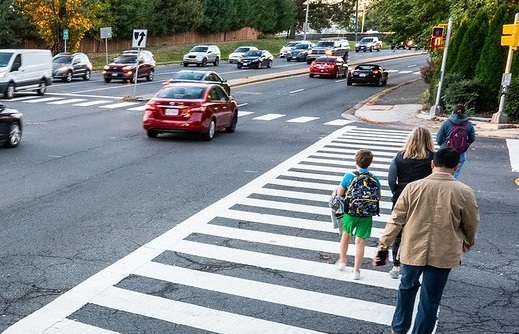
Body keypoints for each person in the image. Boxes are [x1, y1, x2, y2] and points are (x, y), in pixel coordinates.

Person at [375, 148, 480, 334]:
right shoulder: (464, 192)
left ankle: (398, 329)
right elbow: (471, 223)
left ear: (433, 164)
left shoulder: (413, 187)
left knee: (406, 288)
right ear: (455, 167)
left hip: (412, 249)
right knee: (430, 299)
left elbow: (396, 220)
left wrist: (383, 246)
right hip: (443, 253)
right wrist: (468, 242)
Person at [387, 126, 435, 279]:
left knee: (399, 231)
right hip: (425, 199)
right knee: (420, 231)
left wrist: (397, 191)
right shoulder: (433, 158)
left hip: (402, 196)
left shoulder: (399, 156)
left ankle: (396, 266)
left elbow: (390, 179)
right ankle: (417, 264)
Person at [335, 149, 381, 280]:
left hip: (350, 212)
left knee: (346, 235)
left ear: (356, 161)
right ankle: (356, 270)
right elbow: (378, 196)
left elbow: (339, 193)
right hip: (366, 215)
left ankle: (342, 261)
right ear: (370, 163)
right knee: (361, 241)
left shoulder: (349, 176)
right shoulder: (374, 178)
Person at [436, 104, 476, 178]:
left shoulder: (446, 123)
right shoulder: (468, 124)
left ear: (452, 112)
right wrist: (464, 146)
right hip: (459, 152)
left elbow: (439, 139)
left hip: (445, 151)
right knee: (455, 175)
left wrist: (443, 145)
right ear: (464, 113)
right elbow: (472, 139)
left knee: (441, 173)